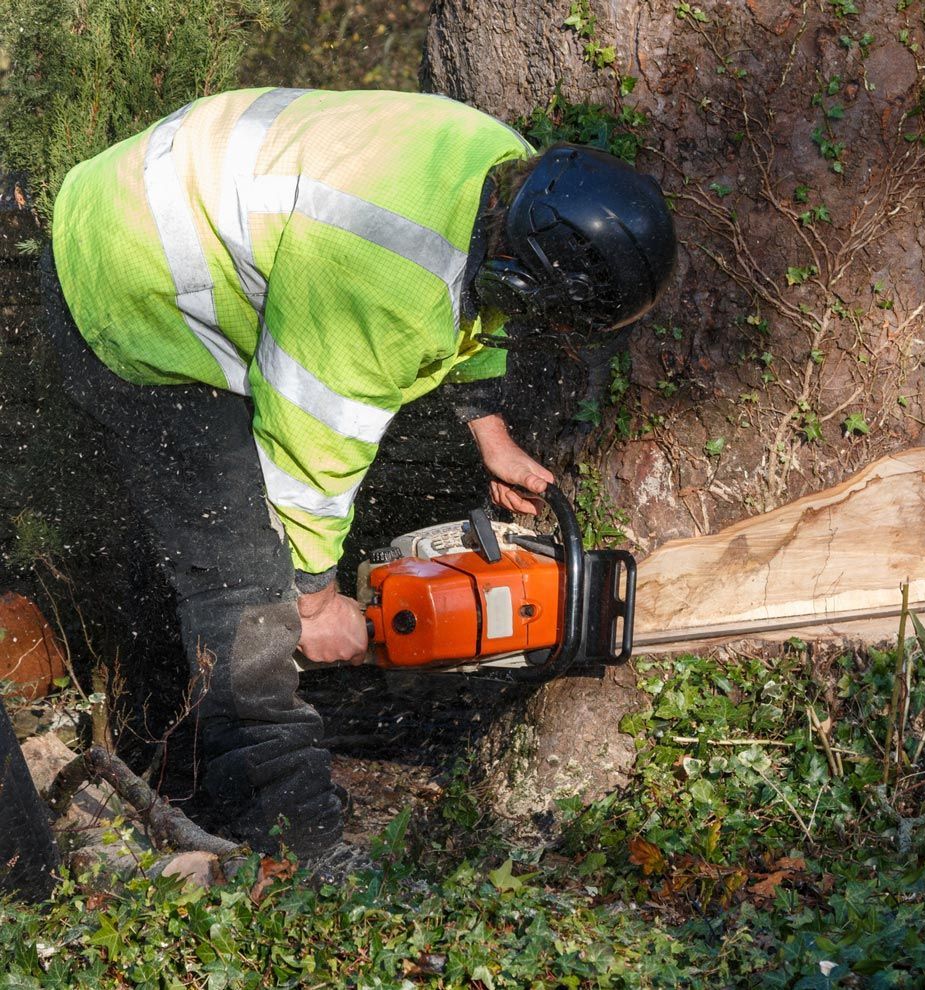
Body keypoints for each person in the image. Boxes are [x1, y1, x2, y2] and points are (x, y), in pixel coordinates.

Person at [41, 88, 676, 868]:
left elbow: (480, 305)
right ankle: (297, 850)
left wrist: (490, 428)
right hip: (133, 275)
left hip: (167, 205)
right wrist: (314, 600)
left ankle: (172, 764)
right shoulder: (383, 275)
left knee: (200, 547)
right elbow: (306, 457)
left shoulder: (508, 179)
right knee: (247, 590)